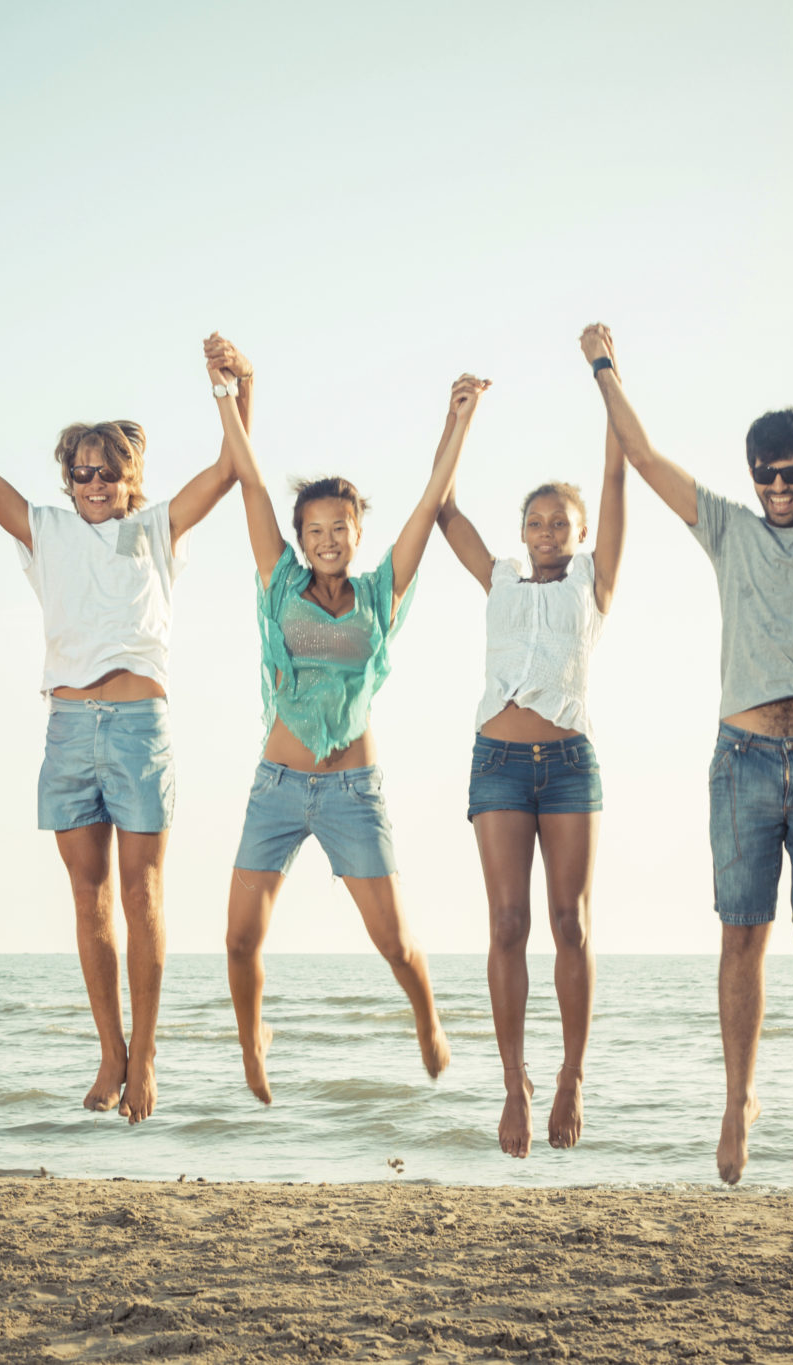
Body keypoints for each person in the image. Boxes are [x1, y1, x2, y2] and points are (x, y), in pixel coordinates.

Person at [583, 320, 793, 1185]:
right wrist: (605, 368)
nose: (778, 485)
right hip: (743, 759)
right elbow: (647, 455)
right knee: (741, 938)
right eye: (765, 473)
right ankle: (738, 1101)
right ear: (751, 476)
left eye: (792, 471)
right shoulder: (728, 529)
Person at [0, 356, 241, 1124]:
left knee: (142, 892)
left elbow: (232, 468)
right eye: (81, 473)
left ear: (128, 477)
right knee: (89, 897)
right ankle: (111, 1052)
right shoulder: (47, 529)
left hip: (138, 727)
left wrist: (234, 387)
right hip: (68, 727)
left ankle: (149, 1058)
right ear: (68, 480)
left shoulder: (157, 529)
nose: (94, 485)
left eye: (106, 474)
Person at [217, 353, 477, 1105]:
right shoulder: (279, 585)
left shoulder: (380, 593)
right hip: (276, 787)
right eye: (316, 528)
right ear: (299, 536)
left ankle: (427, 1015)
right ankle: (251, 1044)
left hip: (352, 793)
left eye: (341, 526)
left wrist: (457, 420)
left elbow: (430, 504)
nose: (328, 537)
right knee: (239, 939)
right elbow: (253, 483)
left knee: (394, 941)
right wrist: (228, 395)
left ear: (358, 530)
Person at [433, 416, 627, 1157]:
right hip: (499, 763)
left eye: (560, 523)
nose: (547, 532)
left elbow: (615, 482)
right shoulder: (499, 577)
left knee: (570, 922)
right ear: (522, 530)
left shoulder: (593, 582)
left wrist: (608, 396)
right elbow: (444, 508)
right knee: (507, 923)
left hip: (571, 767)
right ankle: (514, 1080)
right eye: (535, 522)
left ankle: (572, 1074)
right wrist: (462, 418)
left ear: (578, 535)